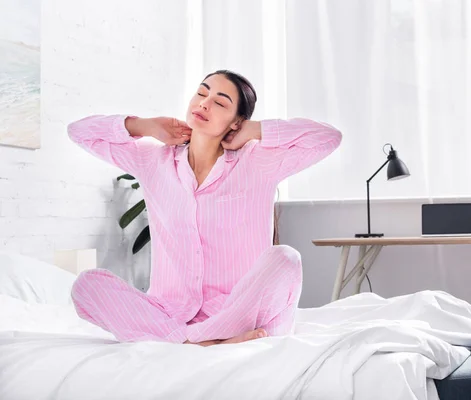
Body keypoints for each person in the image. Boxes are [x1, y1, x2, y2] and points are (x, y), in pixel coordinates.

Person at [67, 70, 342, 345]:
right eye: (201, 93)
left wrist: (256, 130)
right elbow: (79, 132)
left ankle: (191, 340)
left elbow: (328, 138)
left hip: (241, 311)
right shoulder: (153, 161)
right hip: (171, 312)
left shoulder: (257, 162)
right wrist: (147, 126)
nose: (204, 103)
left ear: (236, 122)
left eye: (220, 102)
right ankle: (206, 341)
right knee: (87, 285)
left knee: (286, 258)